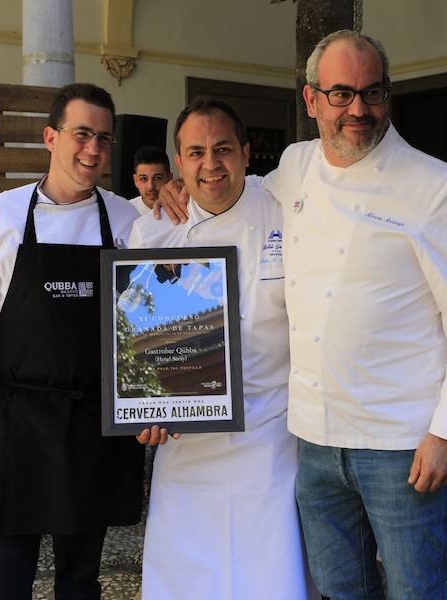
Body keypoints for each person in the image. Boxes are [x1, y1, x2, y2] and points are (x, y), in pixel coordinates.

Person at [158, 30, 447, 599]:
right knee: (340, 588)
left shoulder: (438, 189)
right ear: (312, 100)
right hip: (315, 442)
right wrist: (181, 190)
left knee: (415, 590)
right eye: (341, 93)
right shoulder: (295, 168)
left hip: (401, 444)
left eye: (372, 93)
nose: (358, 110)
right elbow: (234, 193)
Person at [0, 83, 145, 600]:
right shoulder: (2, 216)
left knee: (80, 581)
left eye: (104, 138)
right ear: (51, 137)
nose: (93, 149)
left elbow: (146, 327)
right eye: (81, 134)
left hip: (92, 426)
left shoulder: (129, 222)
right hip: (13, 424)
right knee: (3, 578)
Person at [130, 97, 316, 600]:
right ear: (179, 163)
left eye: (223, 149)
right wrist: (144, 407)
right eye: (195, 153)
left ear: (247, 153)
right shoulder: (153, 231)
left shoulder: (284, 206)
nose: (210, 165)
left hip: (272, 434)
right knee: (187, 576)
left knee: (272, 575)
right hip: (188, 441)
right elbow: (141, 342)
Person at [130, 145, 172, 216]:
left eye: (157, 178)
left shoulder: (184, 209)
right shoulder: (126, 211)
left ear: (169, 178)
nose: (151, 186)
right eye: (144, 179)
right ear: (135, 180)